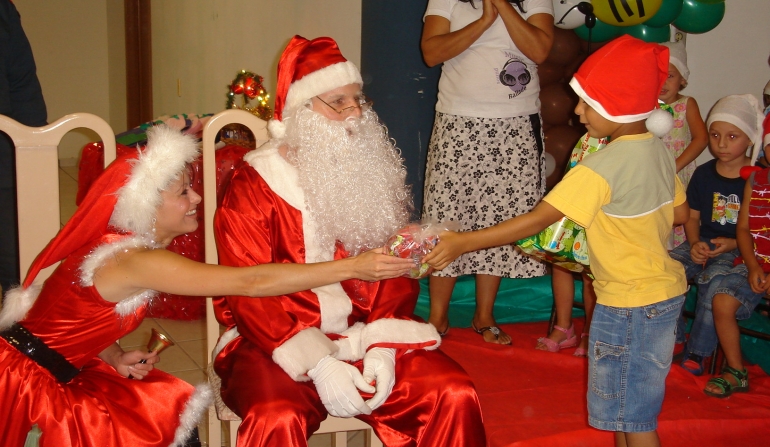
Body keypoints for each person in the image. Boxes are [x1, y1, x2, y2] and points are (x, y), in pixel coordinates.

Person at [0, 125, 415, 447]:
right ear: (147, 205)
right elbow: (252, 281)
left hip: (47, 365)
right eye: (183, 192)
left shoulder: (121, 250)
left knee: (148, 410)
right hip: (22, 381)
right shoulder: (138, 261)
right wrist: (350, 267)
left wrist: (114, 355)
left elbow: (63, 320)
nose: (197, 198)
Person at [211, 35, 486, 447]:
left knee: (453, 393)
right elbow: (245, 290)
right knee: (277, 416)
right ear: (302, 113)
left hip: (364, 333)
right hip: (270, 340)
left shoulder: (369, 171)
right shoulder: (254, 184)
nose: (355, 113)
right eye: (338, 102)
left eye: (359, 100)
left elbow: (391, 268)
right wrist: (318, 363)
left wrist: (383, 347)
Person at [425, 35, 689, 447]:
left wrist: (462, 242)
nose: (577, 111)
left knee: (634, 422)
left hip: (628, 304)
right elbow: (678, 212)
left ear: (616, 104)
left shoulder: (602, 166)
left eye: (587, 101)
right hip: (664, 294)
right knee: (628, 412)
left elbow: (536, 220)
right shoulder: (656, 151)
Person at [420, 0, 554, 345]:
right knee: (446, 216)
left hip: (516, 122)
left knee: (500, 218)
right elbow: (432, 52)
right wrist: (484, 20)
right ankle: (437, 316)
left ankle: (484, 314)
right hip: (457, 119)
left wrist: (501, 6)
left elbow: (539, 49)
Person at [672, 95, 766, 397]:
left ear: (752, 141)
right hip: (703, 242)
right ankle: (673, 338)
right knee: (667, 267)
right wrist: (695, 242)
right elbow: (693, 217)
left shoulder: (753, 180)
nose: (721, 143)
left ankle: (698, 353)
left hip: (738, 250)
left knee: (713, 282)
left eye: (732, 136)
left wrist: (731, 246)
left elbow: (749, 230)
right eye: (715, 135)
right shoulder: (702, 174)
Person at [537, 134, 604, 355]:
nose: (578, 111)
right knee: (562, 261)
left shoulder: (624, 142)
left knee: (591, 271)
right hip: (574, 203)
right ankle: (564, 327)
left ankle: (590, 331)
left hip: (601, 210)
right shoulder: (586, 140)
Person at [0, 0, 47, 293]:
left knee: (15, 267)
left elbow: (23, 84)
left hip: (4, 155)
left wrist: (33, 151)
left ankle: (12, 337)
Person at [658, 40, 708, 248]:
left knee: (678, 219)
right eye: (657, 75)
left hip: (679, 175)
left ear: (682, 80)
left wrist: (675, 166)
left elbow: (702, 138)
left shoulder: (686, 104)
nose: (663, 82)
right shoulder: (644, 106)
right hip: (654, 176)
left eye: (669, 76)